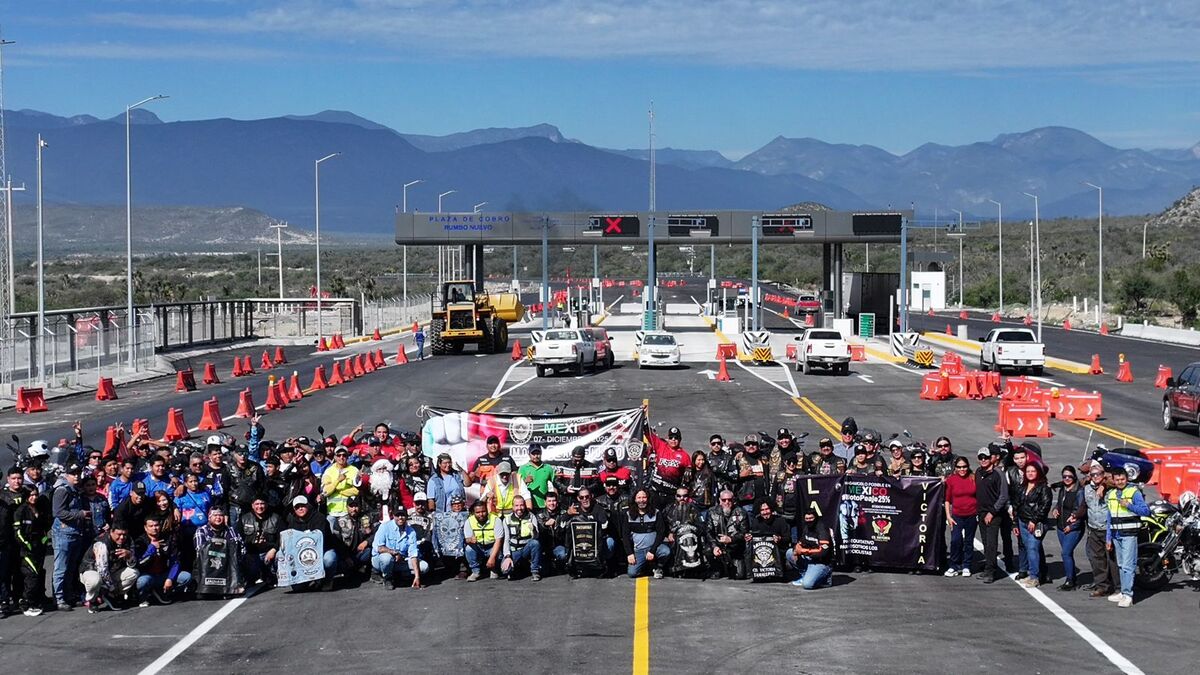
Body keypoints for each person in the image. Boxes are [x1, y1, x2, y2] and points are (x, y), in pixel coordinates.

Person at [1105, 465, 1150, 608]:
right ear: (1113, 480)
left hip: (1129, 534)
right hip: (1116, 534)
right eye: (1117, 479)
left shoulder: (1133, 492)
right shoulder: (1111, 494)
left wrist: (1129, 505)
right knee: (1120, 564)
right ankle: (1122, 592)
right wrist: (1108, 538)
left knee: (1128, 565)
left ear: (1127, 478)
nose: (1120, 482)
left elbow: (1145, 511)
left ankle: (1127, 594)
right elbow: (1109, 517)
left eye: (1122, 479)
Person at [51, 462, 92, 611]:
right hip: (63, 533)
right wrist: (80, 514)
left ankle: (68, 595)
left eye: (78, 473)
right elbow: (58, 512)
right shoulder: (62, 490)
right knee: (61, 567)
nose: (76, 476)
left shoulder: (75, 490)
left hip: (75, 533)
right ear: (66, 474)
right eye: (73, 473)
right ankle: (59, 598)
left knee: (71, 568)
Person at [134, 516, 192, 606]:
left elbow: (175, 561)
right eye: (151, 526)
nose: (154, 528)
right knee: (142, 582)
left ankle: (164, 591)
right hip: (148, 575)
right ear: (145, 528)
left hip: (163, 574)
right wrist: (152, 547)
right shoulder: (140, 541)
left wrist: (170, 578)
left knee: (186, 577)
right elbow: (140, 563)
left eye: (156, 525)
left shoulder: (168, 539)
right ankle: (145, 596)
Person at [79, 525, 138, 612]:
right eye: (119, 534)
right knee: (95, 581)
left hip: (111, 571)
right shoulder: (101, 544)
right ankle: (93, 601)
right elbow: (102, 571)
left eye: (124, 534)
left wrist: (129, 556)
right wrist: (112, 588)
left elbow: (133, 564)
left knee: (133, 573)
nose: (122, 537)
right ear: (111, 532)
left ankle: (113, 596)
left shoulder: (128, 540)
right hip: (92, 570)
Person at [285, 496, 339, 589]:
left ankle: (327, 580)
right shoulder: (292, 522)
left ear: (308, 505)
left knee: (329, 559)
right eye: (297, 507)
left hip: (323, 551)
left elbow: (321, 539)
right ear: (294, 509)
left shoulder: (319, 518)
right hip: (302, 557)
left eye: (303, 506)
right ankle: (309, 580)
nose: (300, 508)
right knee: (297, 588)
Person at [192, 504, 246, 597]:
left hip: (228, 566)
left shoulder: (231, 530)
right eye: (215, 515)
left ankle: (235, 585)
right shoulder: (201, 531)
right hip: (208, 567)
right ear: (209, 518)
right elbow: (200, 551)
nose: (218, 518)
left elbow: (241, 550)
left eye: (220, 515)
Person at [13, 488, 50, 616]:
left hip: (39, 547)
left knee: (39, 574)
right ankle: (25, 604)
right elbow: (18, 532)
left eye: (36, 495)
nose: (34, 497)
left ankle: (35, 601)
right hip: (27, 550)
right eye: (31, 495)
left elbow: (44, 528)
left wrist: (44, 539)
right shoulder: (21, 511)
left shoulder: (39, 509)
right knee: (31, 576)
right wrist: (26, 544)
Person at [1014, 462, 1051, 588]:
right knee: (1032, 548)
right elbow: (1017, 505)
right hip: (1022, 521)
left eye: (1033, 471)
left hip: (1036, 524)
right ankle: (1041, 573)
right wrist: (1015, 523)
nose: (1030, 473)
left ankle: (1034, 576)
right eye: (1028, 471)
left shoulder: (1043, 488)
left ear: (1038, 472)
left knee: (1032, 548)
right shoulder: (1022, 487)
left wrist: (1034, 520)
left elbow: (1045, 506)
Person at [974, 445, 1008, 584]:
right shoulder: (978, 472)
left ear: (991, 459)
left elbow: (1003, 496)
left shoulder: (998, 473)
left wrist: (992, 512)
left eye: (986, 457)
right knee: (986, 542)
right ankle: (988, 566)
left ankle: (991, 572)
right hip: (981, 513)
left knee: (992, 543)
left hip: (994, 514)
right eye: (981, 457)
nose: (983, 460)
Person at [1050, 464, 1087, 591]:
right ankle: (1072, 578)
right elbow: (1060, 504)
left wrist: (1072, 526)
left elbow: (1081, 512)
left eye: (1069, 476)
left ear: (1074, 477)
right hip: (1060, 527)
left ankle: (1070, 581)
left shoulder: (1079, 492)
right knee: (1067, 554)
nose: (1067, 479)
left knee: (1065, 552)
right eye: (1064, 476)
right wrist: (1055, 509)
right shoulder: (1063, 489)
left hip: (1073, 528)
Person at [1082, 461, 1116, 598]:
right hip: (1094, 528)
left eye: (1099, 474)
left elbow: (1113, 480)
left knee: (1112, 560)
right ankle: (1102, 586)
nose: (1096, 476)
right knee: (1097, 559)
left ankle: (1118, 586)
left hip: (1108, 529)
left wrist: (1103, 485)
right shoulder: (1087, 488)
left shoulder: (1110, 487)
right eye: (1093, 474)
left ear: (1103, 475)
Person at [371, 507, 427, 589]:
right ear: (393, 516)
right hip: (380, 559)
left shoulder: (411, 531)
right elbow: (379, 548)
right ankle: (387, 578)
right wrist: (394, 552)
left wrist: (417, 576)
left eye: (403, 515)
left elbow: (413, 554)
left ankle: (399, 575)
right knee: (387, 558)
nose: (400, 517)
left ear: (407, 516)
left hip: (400, 560)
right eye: (398, 515)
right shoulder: (384, 527)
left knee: (424, 566)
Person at [621, 489, 669, 579]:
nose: (641, 500)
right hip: (638, 550)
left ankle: (659, 567)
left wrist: (652, 550)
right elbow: (625, 536)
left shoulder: (656, 513)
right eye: (639, 497)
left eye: (644, 497)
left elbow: (661, 533)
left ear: (648, 499)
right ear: (635, 499)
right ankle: (647, 567)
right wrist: (629, 554)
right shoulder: (628, 514)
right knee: (632, 573)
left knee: (666, 551)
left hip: (654, 548)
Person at [943, 457, 977, 577]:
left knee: (968, 541)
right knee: (955, 540)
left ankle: (966, 565)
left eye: (964, 467)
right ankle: (954, 565)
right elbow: (947, 499)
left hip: (971, 515)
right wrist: (948, 515)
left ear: (968, 467)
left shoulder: (973, 478)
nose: (962, 469)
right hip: (956, 515)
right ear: (955, 468)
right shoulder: (951, 480)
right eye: (959, 467)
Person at [705, 490, 749, 579]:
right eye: (724, 500)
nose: (727, 502)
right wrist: (714, 546)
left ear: (733, 500)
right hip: (718, 545)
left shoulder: (741, 512)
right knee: (708, 549)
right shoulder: (711, 512)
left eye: (729, 500)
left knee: (739, 576)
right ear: (719, 500)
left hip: (734, 548)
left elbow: (744, 532)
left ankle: (730, 568)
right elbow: (708, 531)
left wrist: (731, 539)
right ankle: (717, 568)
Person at [239, 495, 283, 585]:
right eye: (257, 504)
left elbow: (283, 537)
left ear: (266, 505)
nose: (260, 507)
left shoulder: (276, 518)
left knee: (281, 556)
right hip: (251, 554)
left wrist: (274, 550)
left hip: (270, 553)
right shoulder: (244, 519)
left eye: (262, 504)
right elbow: (238, 538)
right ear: (252, 505)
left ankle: (275, 576)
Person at [644, 425, 692, 509]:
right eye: (671, 437)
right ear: (667, 438)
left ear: (680, 439)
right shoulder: (660, 445)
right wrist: (643, 417)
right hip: (655, 493)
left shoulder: (685, 456)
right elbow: (648, 433)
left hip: (671, 496)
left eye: (676, 438)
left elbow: (689, 476)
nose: (673, 439)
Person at [662, 486, 704, 576]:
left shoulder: (694, 509)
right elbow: (661, 525)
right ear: (675, 496)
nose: (682, 498)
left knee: (688, 537)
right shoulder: (668, 509)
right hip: (673, 537)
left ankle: (692, 569)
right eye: (679, 496)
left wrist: (691, 530)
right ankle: (676, 568)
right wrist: (668, 533)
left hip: (690, 537)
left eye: (685, 496)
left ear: (688, 497)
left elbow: (701, 526)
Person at [788, 510, 834, 589]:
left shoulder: (822, 529)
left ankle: (826, 577)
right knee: (789, 553)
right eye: (807, 518)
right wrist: (796, 549)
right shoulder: (807, 528)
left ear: (815, 518)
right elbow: (801, 542)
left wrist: (803, 551)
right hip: (810, 558)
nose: (809, 520)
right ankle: (805, 574)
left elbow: (823, 551)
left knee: (807, 585)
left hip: (822, 561)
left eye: (811, 518)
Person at [747, 500, 791, 580]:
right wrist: (749, 537)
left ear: (771, 509)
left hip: (779, 552)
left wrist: (780, 538)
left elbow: (788, 538)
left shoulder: (780, 521)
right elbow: (753, 537)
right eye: (762, 510)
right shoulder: (756, 521)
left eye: (767, 509)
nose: (765, 512)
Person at [500, 496, 541, 581]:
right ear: (513, 507)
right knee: (505, 570)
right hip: (514, 551)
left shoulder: (531, 516)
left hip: (527, 549)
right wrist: (507, 556)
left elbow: (536, 537)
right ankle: (518, 568)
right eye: (517, 505)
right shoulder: (507, 519)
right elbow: (506, 540)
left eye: (522, 505)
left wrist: (533, 529)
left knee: (535, 543)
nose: (519, 508)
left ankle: (535, 571)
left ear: (525, 505)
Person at [335, 497, 377, 580]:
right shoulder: (340, 521)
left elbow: (377, 534)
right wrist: (346, 557)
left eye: (356, 506)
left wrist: (367, 542)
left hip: (361, 553)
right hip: (345, 555)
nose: (354, 509)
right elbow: (336, 542)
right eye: (351, 506)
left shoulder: (368, 518)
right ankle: (352, 570)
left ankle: (371, 572)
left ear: (360, 507)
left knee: (370, 551)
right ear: (347, 507)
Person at [321, 446, 361, 528]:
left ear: (347, 456)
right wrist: (338, 481)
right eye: (338, 455)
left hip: (348, 512)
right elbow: (325, 491)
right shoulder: (329, 471)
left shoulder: (354, 470)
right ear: (335, 457)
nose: (341, 457)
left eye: (344, 455)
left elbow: (357, 491)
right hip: (332, 512)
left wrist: (338, 490)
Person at [432, 495, 469, 579]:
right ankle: (450, 569)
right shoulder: (446, 515)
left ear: (463, 504)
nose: (457, 506)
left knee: (463, 548)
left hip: (463, 538)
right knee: (444, 548)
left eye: (459, 504)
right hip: (449, 538)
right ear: (451, 506)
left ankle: (463, 570)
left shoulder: (467, 514)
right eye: (454, 505)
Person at [463, 501, 501, 581]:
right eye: (478, 512)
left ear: (487, 510)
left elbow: (498, 540)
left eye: (483, 511)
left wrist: (492, 558)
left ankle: (493, 569)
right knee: (469, 549)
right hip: (479, 546)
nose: (481, 514)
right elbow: (467, 539)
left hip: (492, 546)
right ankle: (475, 572)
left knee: (499, 552)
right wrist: (470, 539)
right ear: (474, 513)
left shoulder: (496, 520)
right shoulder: (469, 521)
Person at [227, 445, 265, 525]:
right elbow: (225, 488)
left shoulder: (256, 467)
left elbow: (262, 485)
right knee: (235, 531)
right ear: (235, 454)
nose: (242, 456)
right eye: (240, 454)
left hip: (251, 506)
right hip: (234, 505)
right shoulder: (229, 468)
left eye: (245, 453)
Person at [771, 454, 803, 541]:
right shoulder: (779, 475)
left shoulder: (801, 475)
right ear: (785, 463)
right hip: (782, 510)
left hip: (796, 511)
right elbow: (773, 492)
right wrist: (772, 506)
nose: (792, 464)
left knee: (795, 537)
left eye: (794, 462)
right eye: (789, 462)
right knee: (783, 534)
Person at [535, 491, 569, 574]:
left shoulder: (563, 513)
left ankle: (560, 565)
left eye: (554, 501)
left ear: (557, 502)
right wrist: (545, 524)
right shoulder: (539, 515)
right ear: (545, 502)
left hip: (558, 546)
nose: (552, 503)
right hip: (544, 548)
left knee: (563, 554)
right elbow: (539, 529)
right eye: (549, 501)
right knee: (544, 570)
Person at [735, 434, 770, 514]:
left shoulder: (765, 457)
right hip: (747, 501)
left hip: (763, 500)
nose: (751, 446)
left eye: (753, 444)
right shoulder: (738, 458)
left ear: (758, 445)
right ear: (744, 446)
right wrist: (740, 476)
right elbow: (731, 477)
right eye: (748, 444)